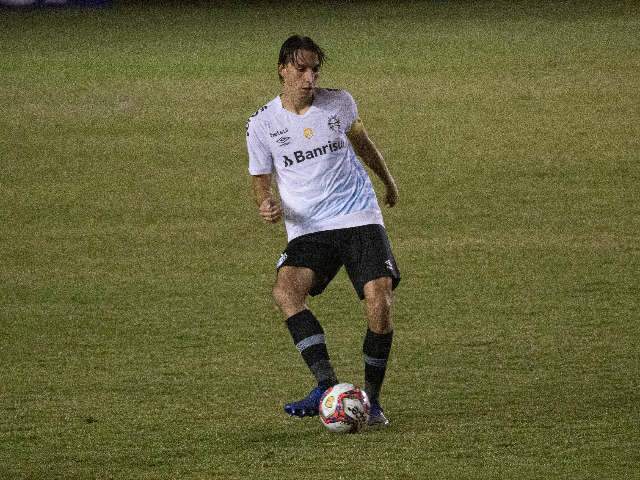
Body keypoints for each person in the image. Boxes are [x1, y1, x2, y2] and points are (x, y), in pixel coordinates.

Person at [246, 35, 401, 428]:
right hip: (309, 227)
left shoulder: (339, 103)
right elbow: (261, 177)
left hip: (358, 216)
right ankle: (325, 385)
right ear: (282, 68)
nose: (309, 77)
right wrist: (265, 203)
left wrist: (388, 181)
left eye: (315, 69)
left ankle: (373, 401)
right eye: (301, 69)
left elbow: (363, 145)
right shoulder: (262, 124)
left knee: (379, 303)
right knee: (286, 291)